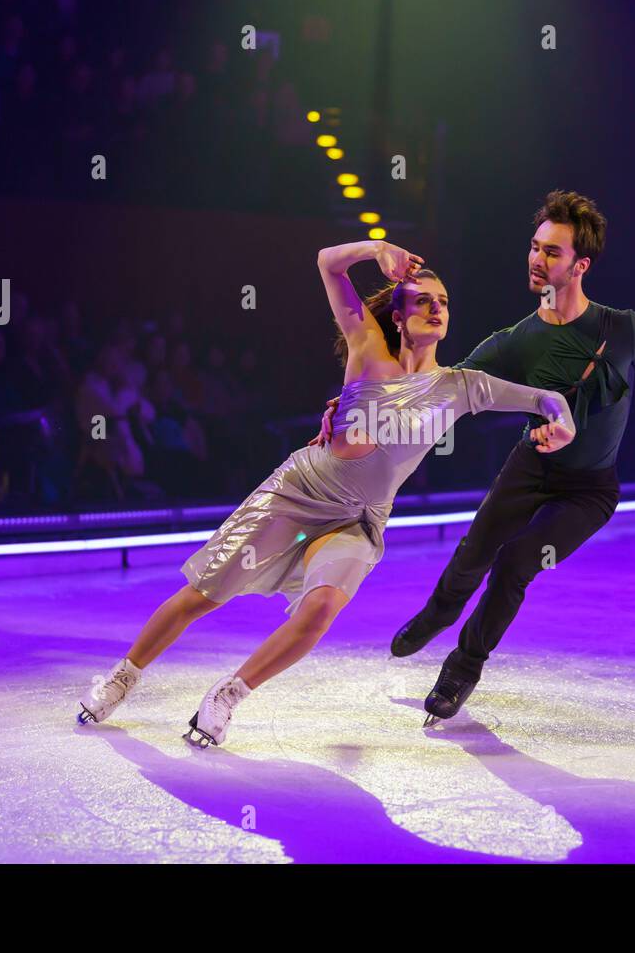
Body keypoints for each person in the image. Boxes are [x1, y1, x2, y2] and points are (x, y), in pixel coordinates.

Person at [313, 191, 635, 725]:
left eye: (551, 252)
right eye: (534, 247)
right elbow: (435, 389)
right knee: (473, 552)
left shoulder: (623, 330)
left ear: (581, 265)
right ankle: (439, 611)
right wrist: (357, 402)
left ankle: (462, 668)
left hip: (590, 491)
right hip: (530, 469)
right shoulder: (515, 342)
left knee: (515, 563)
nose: (536, 259)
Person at [76, 240, 576, 746]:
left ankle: (227, 694)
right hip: (299, 493)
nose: (435, 308)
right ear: (397, 316)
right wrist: (379, 250)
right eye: (422, 299)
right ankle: (123, 678)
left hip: (358, 519)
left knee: (321, 609)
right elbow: (327, 262)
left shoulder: (462, 386)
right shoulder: (365, 345)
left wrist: (563, 424)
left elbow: (546, 398)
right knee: (205, 594)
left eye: (443, 301)